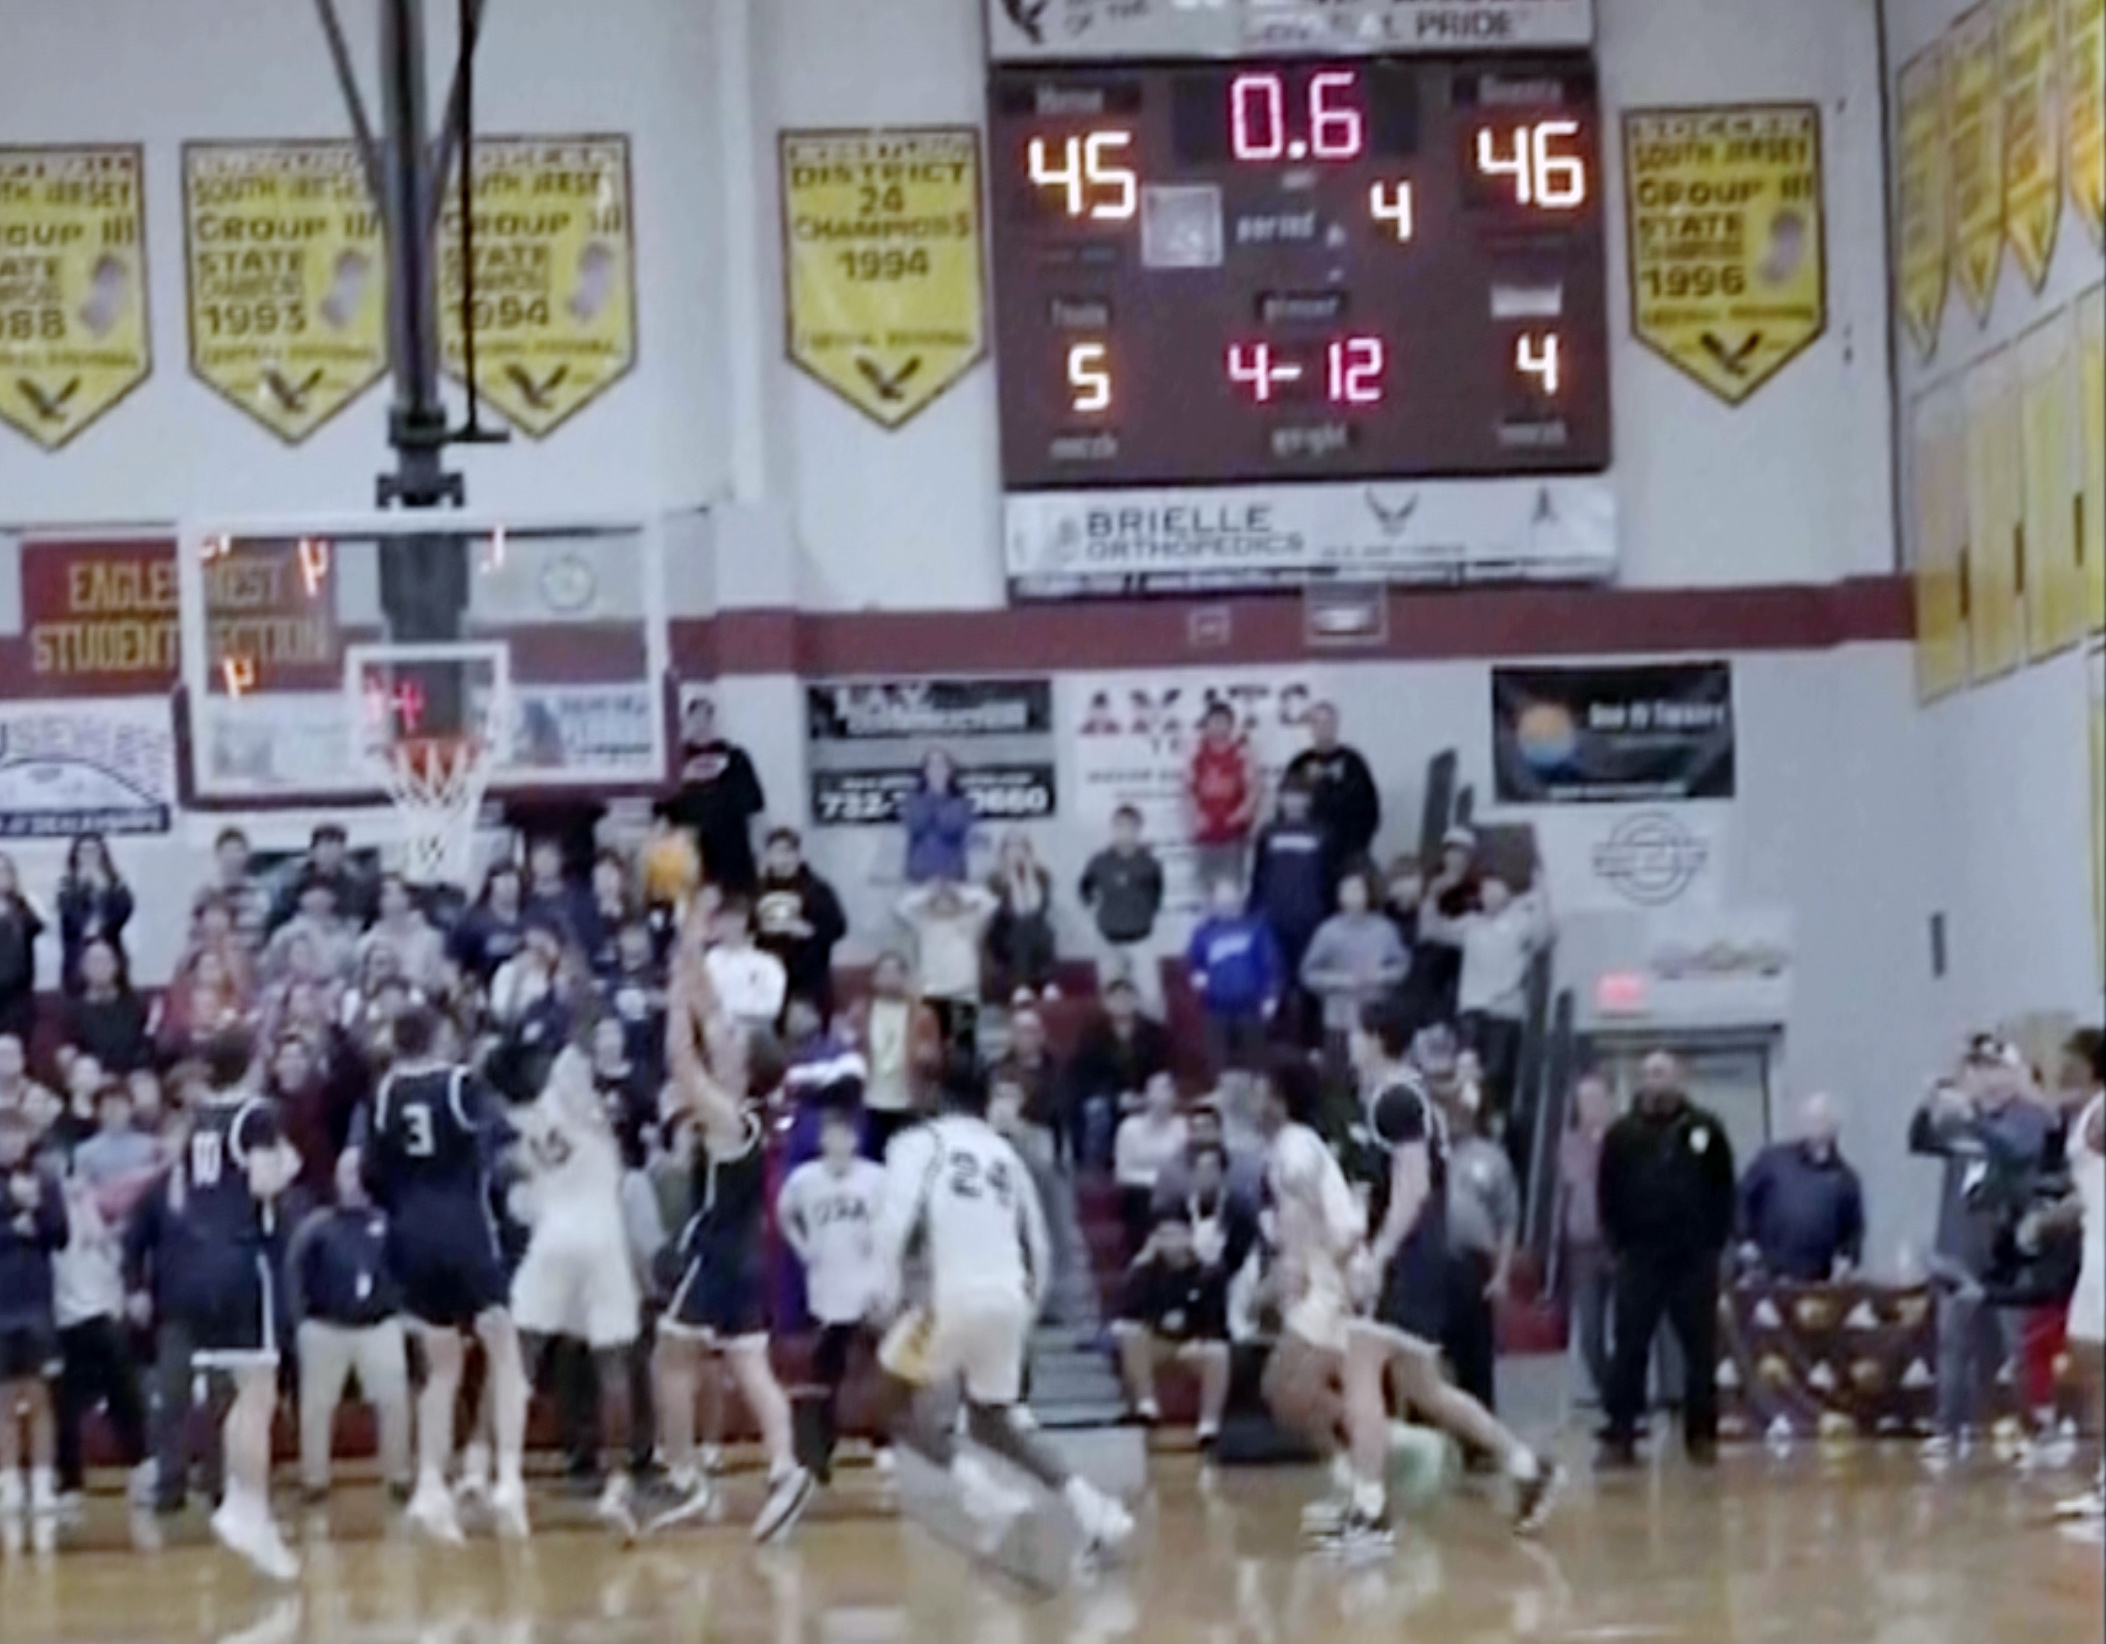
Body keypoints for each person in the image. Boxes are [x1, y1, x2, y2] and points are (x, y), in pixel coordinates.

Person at [871, 1053, 1133, 1561]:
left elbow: (895, 1221)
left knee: (884, 1404)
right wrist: (1027, 1308)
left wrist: (885, 1292)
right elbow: (1038, 1240)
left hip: (947, 1297)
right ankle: (1095, 1510)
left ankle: (985, 1495)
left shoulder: (916, 1143)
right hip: (1008, 1296)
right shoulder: (1004, 1153)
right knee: (993, 1419)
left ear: (935, 1096)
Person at [1331, 998, 1558, 1547]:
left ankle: (1368, 1507)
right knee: (1424, 1388)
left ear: (1374, 1038)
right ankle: (1526, 1465)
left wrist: (1380, 1255)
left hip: (1410, 1260)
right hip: (1420, 1256)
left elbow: (1414, 1186)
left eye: (1354, 1033)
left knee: (1361, 1370)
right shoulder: (1396, 1097)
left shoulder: (1396, 1098)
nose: (1347, 1043)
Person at [647, 928, 813, 1541]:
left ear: (745, 1066)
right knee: (749, 1364)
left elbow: (683, 1064)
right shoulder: (751, 1111)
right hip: (747, 1256)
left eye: (736, 1044)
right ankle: (784, 1468)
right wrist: (690, 954)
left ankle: (684, 1475)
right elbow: (714, 1022)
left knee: (670, 1357)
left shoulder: (725, 1114)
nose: (726, 1038)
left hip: (714, 1252)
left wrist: (672, 999)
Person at [358, 1004, 531, 1542]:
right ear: (437, 1037)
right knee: (505, 1353)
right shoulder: (461, 1084)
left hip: (410, 1233)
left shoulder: (383, 1094)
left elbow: (371, 1174)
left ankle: (430, 1486)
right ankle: (507, 1477)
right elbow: (507, 1150)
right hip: (466, 1230)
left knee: (440, 1368)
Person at [177, 1029, 303, 1580]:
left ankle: (239, 1502)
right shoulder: (257, 1114)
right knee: (260, 1392)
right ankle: (250, 1508)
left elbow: (183, 1194)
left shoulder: (199, 1120)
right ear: (253, 1062)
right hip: (243, 1258)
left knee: (238, 1390)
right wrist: (289, 1163)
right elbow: (264, 1181)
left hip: (198, 1258)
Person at [507, 1040, 645, 1537]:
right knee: (612, 1366)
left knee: (519, 1356)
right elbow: (618, 1168)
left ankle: (499, 1471)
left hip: (553, 1237)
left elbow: (523, 1193)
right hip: (601, 1236)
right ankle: (617, 1479)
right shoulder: (594, 1115)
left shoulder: (530, 1124)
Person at [1908, 1035, 2059, 1459]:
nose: (1987, 1079)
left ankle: (2038, 1428)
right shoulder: (1960, 1119)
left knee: (2018, 1344)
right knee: (1953, 1345)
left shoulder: (2028, 1118)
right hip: (1958, 1250)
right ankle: (1949, 1428)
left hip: (2005, 1252)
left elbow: (2015, 1150)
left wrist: (1972, 1119)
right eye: (1979, 1070)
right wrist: (1929, 1101)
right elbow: (1920, 1140)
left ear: (2013, 1075)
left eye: (1995, 1069)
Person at [1597, 1049, 1736, 1467]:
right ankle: (1621, 1434)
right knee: (1629, 1348)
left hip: (1692, 1258)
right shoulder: (1621, 1134)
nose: (1656, 1081)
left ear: (1679, 1078)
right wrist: (1617, 1243)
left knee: (1699, 1351)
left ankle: (1701, 1436)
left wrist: (1714, 1244)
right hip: (1640, 1256)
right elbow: (1606, 1193)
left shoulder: (1705, 1129)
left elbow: (1723, 1189)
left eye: (1663, 1073)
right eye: (1650, 1073)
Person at [286, 1151, 411, 1503]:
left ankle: (399, 1476)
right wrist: (300, 1323)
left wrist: (398, 1309)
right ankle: (315, 1480)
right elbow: (294, 1275)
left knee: (393, 1402)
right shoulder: (316, 1226)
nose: (352, 1179)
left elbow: (405, 1269)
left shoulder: (387, 1223)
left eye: (358, 1172)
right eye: (346, 1172)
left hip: (378, 1325)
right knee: (316, 1408)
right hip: (325, 1328)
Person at [777, 1097, 889, 1483]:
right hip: (826, 1291)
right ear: (823, 1140)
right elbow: (784, 1213)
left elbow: (892, 1228)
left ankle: (884, 1443)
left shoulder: (876, 1178)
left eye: (846, 1136)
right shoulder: (804, 1180)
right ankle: (819, 1454)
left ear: (855, 1140)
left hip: (869, 1289)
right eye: (832, 1136)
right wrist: (802, 1246)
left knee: (878, 1370)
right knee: (825, 1376)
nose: (839, 1143)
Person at [1418, 866, 1553, 1138]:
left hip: (1505, 1013)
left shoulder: (1520, 921)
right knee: (1468, 1077)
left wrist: (1543, 892)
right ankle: (1468, 1128)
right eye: (1485, 888)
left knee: (1497, 1079)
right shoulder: (1471, 925)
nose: (1489, 894)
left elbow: (1545, 934)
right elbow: (1430, 930)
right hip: (1471, 1013)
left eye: (1496, 887)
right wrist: (1434, 895)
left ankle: (1497, 1130)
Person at [0, 1105, 66, 1536]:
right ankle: (9, 1486)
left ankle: (43, 1483)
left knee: (40, 1397)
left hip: (38, 1305)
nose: (9, 1143)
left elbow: (60, 1233)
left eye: (15, 1135)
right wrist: (12, 1223)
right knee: (4, 1401)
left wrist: (36, 1214)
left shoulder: (45, 1182)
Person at [1115, 1209, 1233, 1447]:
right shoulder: (1145, 1272)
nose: (1169, 1241)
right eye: (1163, 1235)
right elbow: (1128, 1312)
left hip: (1193, 1343)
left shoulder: (1208, 1273)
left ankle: (1209, 1425)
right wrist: (1138, 1266)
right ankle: (1147, 1405)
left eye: (1175, 1234)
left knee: (1218, 1353)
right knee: (1127, 1334)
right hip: (1158, 1341)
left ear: (1188, 1237)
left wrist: (1199, 1338)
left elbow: (1216, 1321)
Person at [2049, 1028, 2104, 1520]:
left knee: (2097, 1367)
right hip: (2093, 1247)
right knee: (2087, 1367)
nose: (2062, 1064)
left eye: (2071, 1058)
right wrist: (2055, 1214)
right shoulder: (2085, 1112)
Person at [1441, 1090, 1521, 1428]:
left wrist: (1501, 1274)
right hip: (1430, 1264)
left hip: (1473, 1264)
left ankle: (1482, 1434)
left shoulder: (1492, 1159)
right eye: (1448, 1111)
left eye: (1461, 1111)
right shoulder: (1427, 1154)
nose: (1455, 1117)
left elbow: (1507, 1220)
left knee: (1475, 1354)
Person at [1737, 1092, 1866, 1281]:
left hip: (1816, 1282)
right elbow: (1742, 1198)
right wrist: (1744, 1240)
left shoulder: (1846, 1179)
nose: (1816, 1126)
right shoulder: (1772, 1160)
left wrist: (1848, 1260)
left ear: (1835, 1126)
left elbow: (1853, 1232)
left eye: (1822, 1119)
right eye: (1811, 1119)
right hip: (1765, 1276)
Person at [1299, 866, 1408, 1070]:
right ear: (1339, 896)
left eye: (1358, 890)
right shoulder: (1327, 932)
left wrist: (1380, 976)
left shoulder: (1384, 929)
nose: (1354, 896)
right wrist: (1341, 981)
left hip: (1376, 1019)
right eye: (1348, 891)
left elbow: (1402, 966)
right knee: (1339, 1082)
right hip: (1338, 1021)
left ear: (1367, 893)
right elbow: (1308, 974)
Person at [1063, 977, 1173, 1171]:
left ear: (1137, 1001)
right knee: (1096, 1109)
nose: (1122, 1004)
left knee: (1162, 1100)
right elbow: (1085, 1075)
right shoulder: (1092, 1035)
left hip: (1146, 1093)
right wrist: (1116, 1098)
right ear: (1106, 1003)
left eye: (1127, 998)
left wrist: (1146, 1095)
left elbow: (1163, 1070)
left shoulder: (1155, 1033)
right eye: (1116, 999)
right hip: (1107, 1096)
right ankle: (1097, 1169)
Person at [1247, 783, 1331, 1034]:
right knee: (1275, 980)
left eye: (1299, 796)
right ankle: (1275, 1038)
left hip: (1309, 918)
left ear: (1308, 801)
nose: (1293, 802)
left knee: (1309, 982)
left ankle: (1311, 1038)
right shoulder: (1268, 833)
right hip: (1273, 917)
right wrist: (1253, 910)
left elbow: (1328, 876)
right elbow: (1259, 875)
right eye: (1289, 796)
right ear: (1281, 800)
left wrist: (1325, 912)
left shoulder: (1321, 832)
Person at [844, 952, 942, 1160]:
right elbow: (847, 1049)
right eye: (884, 971)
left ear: (905, 977)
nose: (889, 977)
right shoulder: (860, 1012)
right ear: (874, 977)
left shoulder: (923, 1015)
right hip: (870, 1101)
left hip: (908, 1102)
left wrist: (927, 1057)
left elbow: (936, 1061)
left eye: (895, 971)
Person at [667, 696, 767, 895]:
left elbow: (755, 802)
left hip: (732, 851)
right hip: (689, 851)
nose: (701, 723)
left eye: (706, 717)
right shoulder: (675, 760)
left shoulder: (735, 758)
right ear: (687, 722)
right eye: (696, 718)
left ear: (714, 721)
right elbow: (663, 808)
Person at [1185, 877, 1283, 1080]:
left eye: (1231, 902)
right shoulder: (1204, 932)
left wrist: (1271, 995)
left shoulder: (1256, 929)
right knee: (1218, 1065)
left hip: (1251, 1007)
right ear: (1213, 903)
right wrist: (1199, 980)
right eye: (1222, 902)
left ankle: (1256, 1099)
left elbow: (1271, 963)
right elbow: (1193, 962)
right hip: (1215, 1008)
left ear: (1240, 901)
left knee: (1256, 1065)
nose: (1227, 907)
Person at [1077, 805, 1166, 1018]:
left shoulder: (1149, 864)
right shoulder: (1100, 862)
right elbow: (1084, 889)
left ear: (1138, 830)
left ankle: (1156, 1045)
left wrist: (1143, 916)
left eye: (1129, 827)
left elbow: (1157, 895)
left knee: (1151, 998)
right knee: (1109, 997)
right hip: (1109, 941)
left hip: (1140, 939)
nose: (1124, 833)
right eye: (1119, 827)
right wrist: (1096, 911)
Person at [1558, 1071, 1615, 1406]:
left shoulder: (1625, 1139)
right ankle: (1609, 1389)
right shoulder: (1568, 1144)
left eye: (1596, 1099)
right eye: (1584, 1101)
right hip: (1583, 1245)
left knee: (1626, 1324)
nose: (1590, 1107)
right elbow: (1574, 1182)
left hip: (1620, 1244)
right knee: (1590, 1327)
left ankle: (1629, 1390)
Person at [753, 828, 848, 1023]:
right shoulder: (756, 891)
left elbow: (838, 927)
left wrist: (811, 931)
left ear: (798, 854)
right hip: (766, 977)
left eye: (788, 851)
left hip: (810, 975)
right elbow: (746, 928)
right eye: (776, 852)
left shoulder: (818, 889)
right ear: (768, 856)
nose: (782, 858)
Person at [896, 877, 998, 1049]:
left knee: (964, 1047)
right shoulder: (923, 922)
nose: (944, 903)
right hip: (932, 993)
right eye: (939, 900)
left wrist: (957, 889)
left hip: (964, 994)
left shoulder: (970, 922)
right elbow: (901, 907)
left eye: (949, 899)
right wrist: (931, 889)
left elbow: (991, 903)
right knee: (933, 1045)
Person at [1282, 702, 1381, 872]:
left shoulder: (1353, 762)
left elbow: (1370, 807)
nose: (1323, 728)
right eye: (1317, 723)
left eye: (1327, 723)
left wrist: (1359, 846)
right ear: (1310, 728)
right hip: (1309, 852)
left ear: (1336, 726)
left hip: (1348, 852)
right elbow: (1285, 808)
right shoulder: (1299, 764)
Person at [1187, 701, 1258, 892]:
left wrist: (1240, 815)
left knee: (1233, 889)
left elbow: (1253, 789)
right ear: (1206, 725)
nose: (1218, 726)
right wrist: (1196, 816)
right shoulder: (1197, 752)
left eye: (1223, 721)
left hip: (1232, 834)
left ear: (1230, 725)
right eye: (1214, 721)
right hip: (1206, 834)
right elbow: (1187, 790)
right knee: (1205, 889)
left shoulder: (1242, 752)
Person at [1114, 1073, 1189, 1254]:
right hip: (1140, 1193)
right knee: (1142, 1200)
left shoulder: (1181, 1127)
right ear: (1147, 1096)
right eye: (1157, 1090)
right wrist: (1157, 1180)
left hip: (1172, 1192)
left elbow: (1185, 1167)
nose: (1162, 1097)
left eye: (1168, 1090)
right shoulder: (1129, 1128)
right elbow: (1122, 1173)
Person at [985, 832, 1058, 1002]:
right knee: (1022, 927)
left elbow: (1036, 908)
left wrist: (1028, 876)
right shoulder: (994, 880)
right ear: (1003, 853)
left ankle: (1044, 985)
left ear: (1028, 850)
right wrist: (1013, 878)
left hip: (1036, 930)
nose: (1016, 852)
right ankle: (1024, 985)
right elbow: (1014, 911)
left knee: (1035, 927)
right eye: (1010, 847)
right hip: (1004, 933)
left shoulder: (1042, 875)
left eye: (1020, 846)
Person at [61, 937, 151, 1075]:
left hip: (133, 1076)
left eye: (105, 961)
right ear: (83, 967)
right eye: (94, 962)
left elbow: (145, 1048)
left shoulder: (136, 1004)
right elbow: (68, 1051)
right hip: (95, 1079)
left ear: (117, 965)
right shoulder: (73, 1010)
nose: (100, 967)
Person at [56, 833, 133, 994]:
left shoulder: (115, 883)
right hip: (77, 959)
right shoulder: (66, 886)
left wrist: (105, 890)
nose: (89, 856)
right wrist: (82, 888)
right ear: (76, 856)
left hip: (111, 958)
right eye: (83, 852)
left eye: (94, 851)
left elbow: (123, 914)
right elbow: (72, 919)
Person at [703, 895, 789, 1031]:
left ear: (743, 922)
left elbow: (771, 1008)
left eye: (732, 919)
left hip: (753, 1031)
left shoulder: (767, 964)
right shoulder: (707, 962)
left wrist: (733, 1013)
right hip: (714, 1029)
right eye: (721, 919)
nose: (726, 925)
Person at [359, 873, 446, 993]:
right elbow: (364, 985)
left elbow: (438, 986)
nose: (394, 899)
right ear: (378, 901)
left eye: (400, 892)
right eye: (387, 893)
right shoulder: (366, 942)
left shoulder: (431, 939)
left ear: (409, 897)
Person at [901, 747, 976, 886]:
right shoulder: (912, 800)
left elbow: (951, 828)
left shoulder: (962, 801)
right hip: (919, 876)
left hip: (953, 875)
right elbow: (916, 826)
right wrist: (930, 795)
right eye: (931, 764)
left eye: (941, 764)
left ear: (950, 770)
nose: (936, 769)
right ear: (925, 771)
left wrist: (941, 795)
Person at [0, 855, 45, 1049]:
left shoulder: (25, 905)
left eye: (3, 871)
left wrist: (20, 901)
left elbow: (41, 926)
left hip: (18, 998)